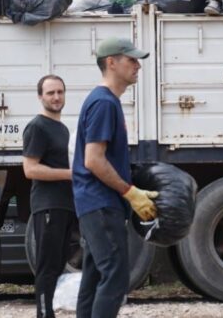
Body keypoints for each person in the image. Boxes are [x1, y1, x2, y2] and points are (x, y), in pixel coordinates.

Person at [73, 37, 158, 318]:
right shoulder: (104, 103)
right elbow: (93, 159)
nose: (138, 66)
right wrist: (129, 192)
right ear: (111, 62)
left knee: (95, 277)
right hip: (101, 202)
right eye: (131, 60)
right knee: (115, 277)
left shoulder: (105, 101)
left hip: (94, 203)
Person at [23, 74, 75, 318]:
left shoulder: (62, 129)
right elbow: (30, 169)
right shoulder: (37, 127)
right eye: (50, 93)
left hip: (65, 205)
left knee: (58, 264)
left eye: (60, 92)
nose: (56, 97)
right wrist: (70, 174)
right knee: (47, 266)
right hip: (48, 205)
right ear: (40, 97)